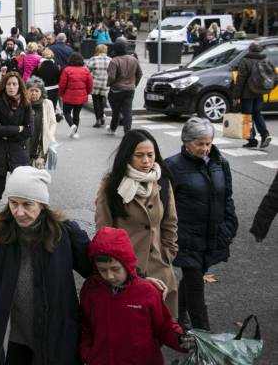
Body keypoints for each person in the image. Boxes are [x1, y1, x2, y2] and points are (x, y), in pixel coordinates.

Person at [0, 166, 93, 365]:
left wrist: (138, 280)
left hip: (57, 337)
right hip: (17, 337)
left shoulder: (64, 233)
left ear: (42, 204)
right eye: (13, 203)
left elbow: (99, 266)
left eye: (27, 204)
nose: (19, 212)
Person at [96, 129, 179, 315]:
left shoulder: (162, 182)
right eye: (139, 155)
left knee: (160, 329)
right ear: (127, 156)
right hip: (126, 271)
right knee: (132, 331)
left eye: (150, 155)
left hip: (160, 267)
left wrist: (168, 252)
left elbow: (170, 222)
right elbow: (104, 231)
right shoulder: (112, 185)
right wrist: (114, 269)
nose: (146, 161)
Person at [164, 118, 237, 330]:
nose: (205, 148)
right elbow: (165, 204)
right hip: (185, 237)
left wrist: (230, 225)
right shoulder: (172, 166)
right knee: (195, 283)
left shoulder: (220, 163)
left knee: (194, 277)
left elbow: (227, 197)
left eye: (208, 143)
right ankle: (203, 336)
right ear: (186, 142)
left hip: (213, 234)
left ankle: (179, 313)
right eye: (199, 144)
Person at [79, 227, 192, 364]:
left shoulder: (147, 292)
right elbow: (86, 327)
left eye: (115, 269)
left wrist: (181, 339)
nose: (109, 276)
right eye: (102, 270)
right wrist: (88, 354)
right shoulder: (91, 290)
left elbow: (164, 326)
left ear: (127, 263)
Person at [0, 72, 33, 220]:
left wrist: (8, 134)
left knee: (19, 184)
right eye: (9, 84)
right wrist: (16, 129)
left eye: (14, 84)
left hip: (18, 149)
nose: (12, 87)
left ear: (19, 86)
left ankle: (15, 211)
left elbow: (29, 130)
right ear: (4, 86)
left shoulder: (26, 103)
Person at [233, 42, 272, 148]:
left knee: (247, 116)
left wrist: (236, 96)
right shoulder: (265, 60)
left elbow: (240, 80)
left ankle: (251, 139)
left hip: (247, 93)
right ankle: (265, 134)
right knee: (257, 113)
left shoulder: (245, 60)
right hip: (259, 92)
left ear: (249, 50)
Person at [106, 41, 142, 135]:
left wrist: (109, 84)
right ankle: (127, 131)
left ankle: (113, 129)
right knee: (128, 111)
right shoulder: (133, 59)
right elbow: (140, 74)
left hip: (116, 90)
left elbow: (111, 77)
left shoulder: (114, 61)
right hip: (130, 89)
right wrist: (134, 84)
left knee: (116, 111)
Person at [58, 52, 93, 139]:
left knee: (66, 112)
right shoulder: (86, 70)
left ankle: (71, 125)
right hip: (81, 96)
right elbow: (90, 84)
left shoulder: (67, 70)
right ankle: (75, 132)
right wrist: (87, 92)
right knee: (76, 114)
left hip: (69, 96)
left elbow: (62, 84)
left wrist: (61, 93)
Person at [24, 77, 56, 170]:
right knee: (26, 169)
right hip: (26, 143)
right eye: (31, 90)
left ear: (41, 92)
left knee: (39, 170)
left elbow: (53, 122)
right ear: (26, 91)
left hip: (41, 143)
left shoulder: (47, 103)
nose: (34, 93)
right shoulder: (24, 104)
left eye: (36, 91)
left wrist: (50, 135)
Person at [86, 44, 111, 128]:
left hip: (95, 83)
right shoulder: (110, 60)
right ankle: (102, 117)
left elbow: (86, 70)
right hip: (105, 83)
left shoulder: (93, 59)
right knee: (102, 101)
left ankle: (98, 120)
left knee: (96, 102)